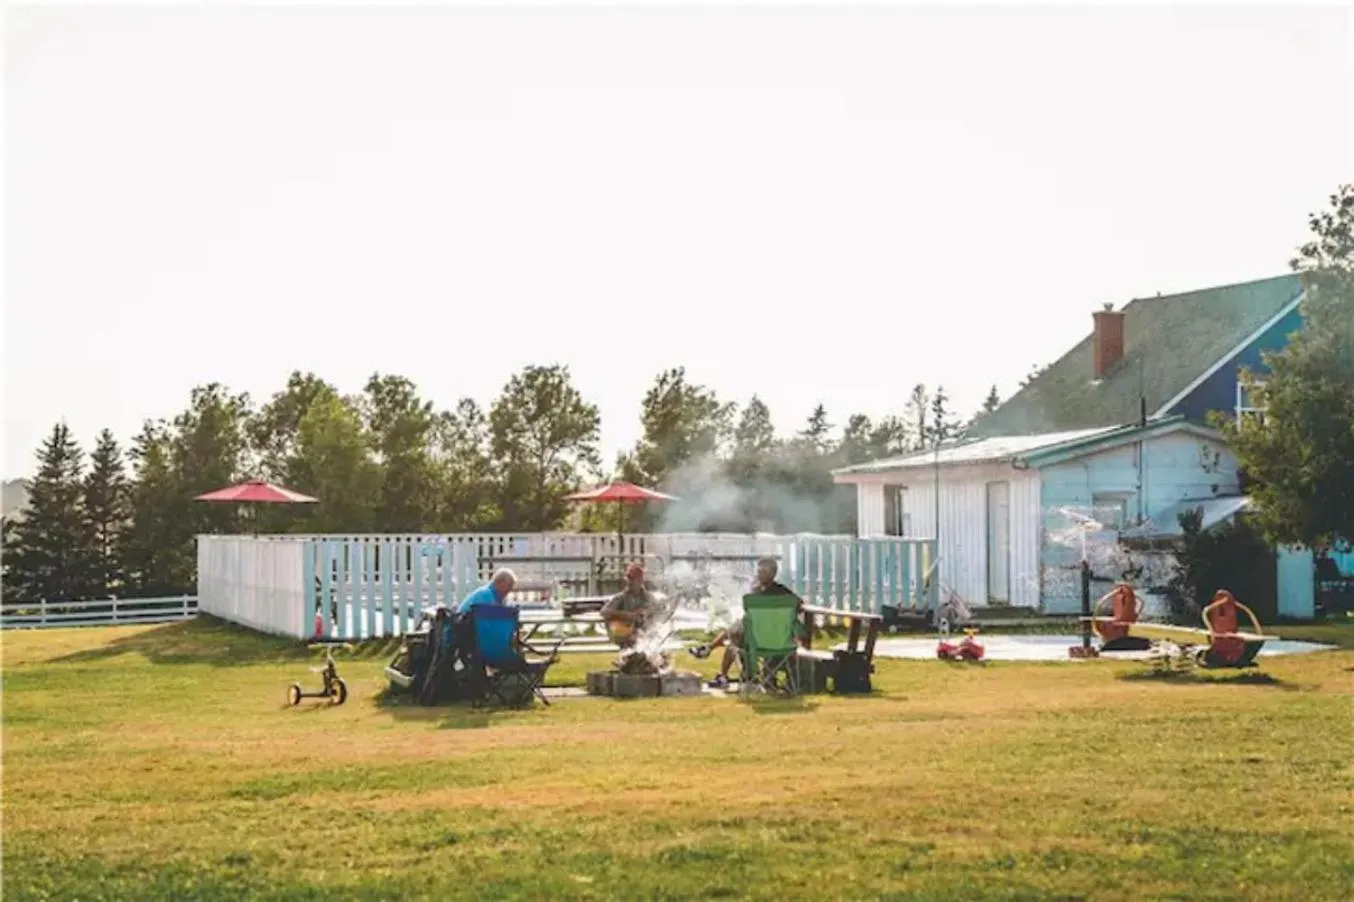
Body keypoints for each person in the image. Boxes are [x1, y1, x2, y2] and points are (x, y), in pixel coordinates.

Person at [690, 557, 804, 689]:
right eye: (759, 571)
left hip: (757, 643)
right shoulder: (785, 594)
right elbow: (800, 606)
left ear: (773, 573)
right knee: (736, 631)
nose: (759, 575)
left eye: (763, 572)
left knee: (734, 638)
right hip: (782, 643)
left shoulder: (754, 595)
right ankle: (711, 652)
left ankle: (718, 666)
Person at [600, 562, 656, 648]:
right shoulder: (621, 597)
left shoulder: (648, 597)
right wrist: (628, 615)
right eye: (628, 578)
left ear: (640, 581)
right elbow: (604, 612)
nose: (629, 581)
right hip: (625, 637)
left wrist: (646, 613)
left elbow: (658, 610)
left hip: (645, 637)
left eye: (632, 579)